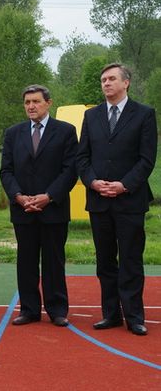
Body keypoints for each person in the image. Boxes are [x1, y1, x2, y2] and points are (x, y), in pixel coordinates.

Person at [76, 63, 157, 336]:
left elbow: (147, 159)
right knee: (105, 261)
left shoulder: (144, 114)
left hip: (130, 200)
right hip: (99, 200)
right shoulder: (92, 116)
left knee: (131, 260)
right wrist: (92, 181)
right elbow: (82, 157)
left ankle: (134, 317)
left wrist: (124, 185)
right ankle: (110, 314)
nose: (106, 83)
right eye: (103, 80)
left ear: (126, 83)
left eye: (111, 79)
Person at [0, 85, 78, 327]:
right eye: (27, 102)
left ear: (48, 103)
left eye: (35, 101)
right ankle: (29, 309)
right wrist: (19, 196)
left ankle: (57, 310)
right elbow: (6, 170)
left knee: (54, 261)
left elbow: (70, 170)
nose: (31, 106)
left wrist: (49, 196)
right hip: (23, 209)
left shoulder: (65, 131)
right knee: (26, 261)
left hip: (53, 209)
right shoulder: (13, 133)